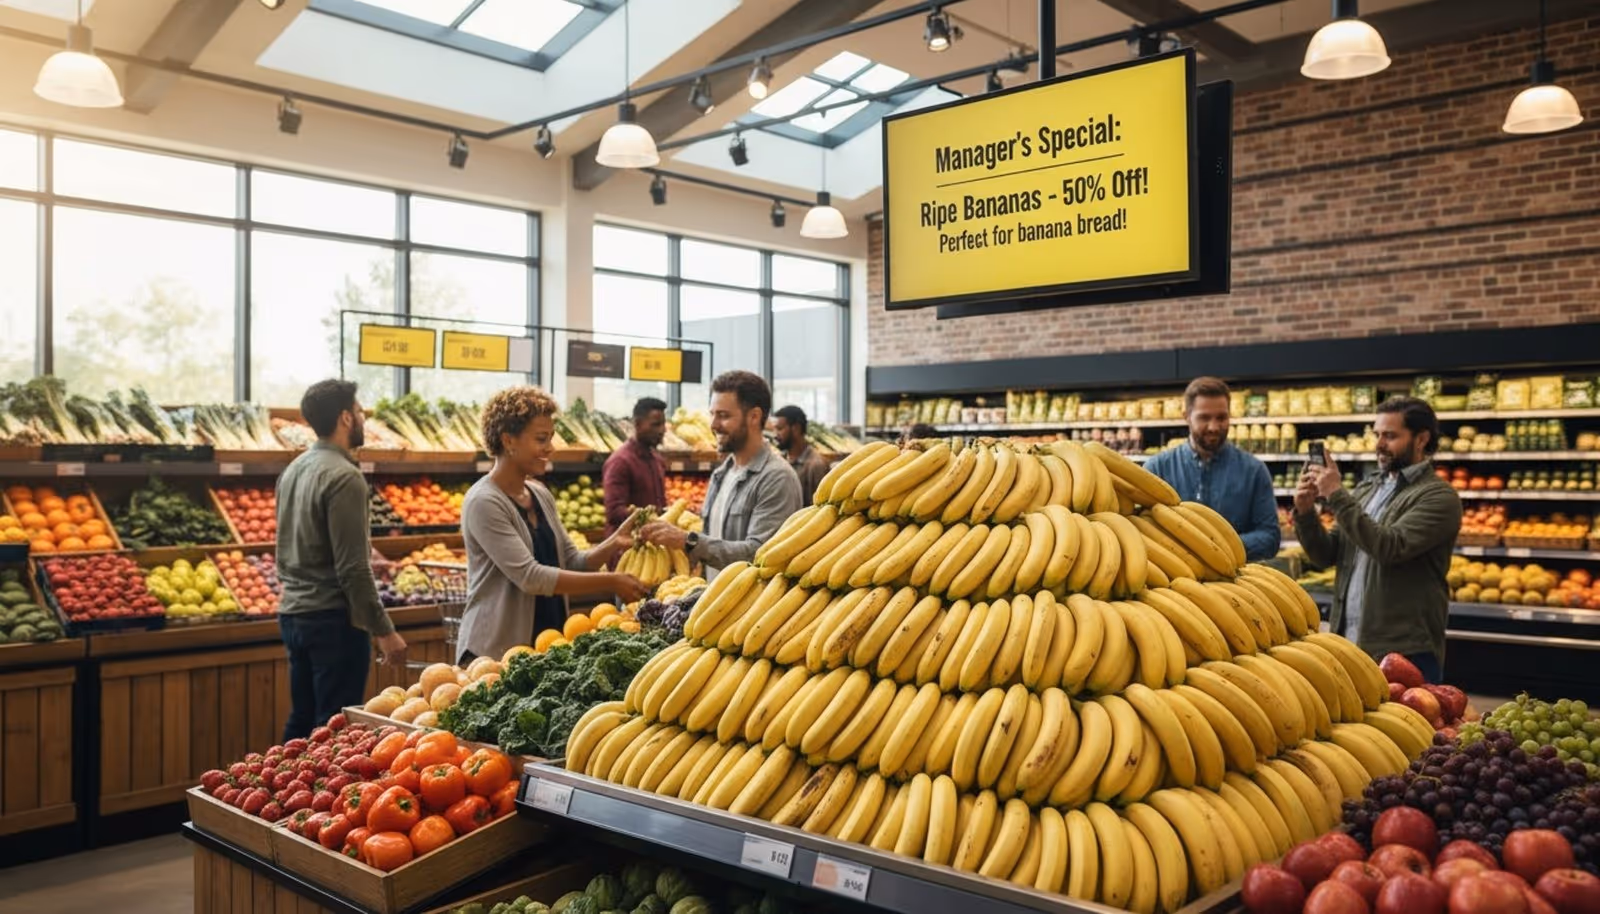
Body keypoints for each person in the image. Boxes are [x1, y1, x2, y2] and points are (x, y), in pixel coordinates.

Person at [457, 386, 647, 664]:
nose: (551, 448)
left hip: (545, 649)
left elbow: (572, 562)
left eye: (551, 438)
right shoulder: (483, 502)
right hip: (494, 653)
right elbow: (531, 577)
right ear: (509, 440)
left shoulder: (539, 494)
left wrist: (613, 542)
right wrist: (611, 581)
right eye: (541, 439)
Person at [1294, 396, 1462, 680]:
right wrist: (1305, 511)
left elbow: (1390, 547)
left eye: (1390, 436)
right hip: (1349, 642)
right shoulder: (1368, 488)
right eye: (1377, 434)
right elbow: (1327, 553)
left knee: (1410, 724)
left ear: (1421, 439)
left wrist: (1336, 494)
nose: (1379, 444)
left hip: (1405, 651)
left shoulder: (1439, 497)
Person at [276, 379, 406, 741]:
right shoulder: (345, 476)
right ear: (346, 418)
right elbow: (352, 568)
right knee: (333, 728)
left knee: (302, 720)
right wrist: (385, 631)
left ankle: (283, 791)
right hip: (333, 619)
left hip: (293, 613)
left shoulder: (294, 470)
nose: (363, 418)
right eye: (361, 411)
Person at [640, 371, 802, 580]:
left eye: (724, 416)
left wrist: (688, 542)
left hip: (753, 608)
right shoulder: (720, 475)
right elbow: (713, 545)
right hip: (717, 600)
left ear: (754, 416)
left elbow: (760, 555)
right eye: (712, 414)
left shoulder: (777, 478)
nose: (714, 425)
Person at [1144, 377, 1281, 561]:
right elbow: (1142, 530)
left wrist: (1217, 550)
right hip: (1171, 582)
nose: (1214, 427)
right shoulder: (1157, 468)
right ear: (1186, 416)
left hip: (1236, 584)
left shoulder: (1254, 470)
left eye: (1221, 418)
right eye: (1204, 418)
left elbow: (1269, 537)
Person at [602, 396, 667, 535]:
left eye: (663, 424)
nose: (662, 430)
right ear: (637, 424)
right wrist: (648, 516)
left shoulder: (657, 460)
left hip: (651, 542)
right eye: (656, 424)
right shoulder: (620, 462)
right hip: (627, 548)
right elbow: (614, 513)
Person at [772, 405, 828, 505]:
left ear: (796, 428)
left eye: (779, 429)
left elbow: (819, 507)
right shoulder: (779, 461)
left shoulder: (815, 466)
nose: (775, 434)